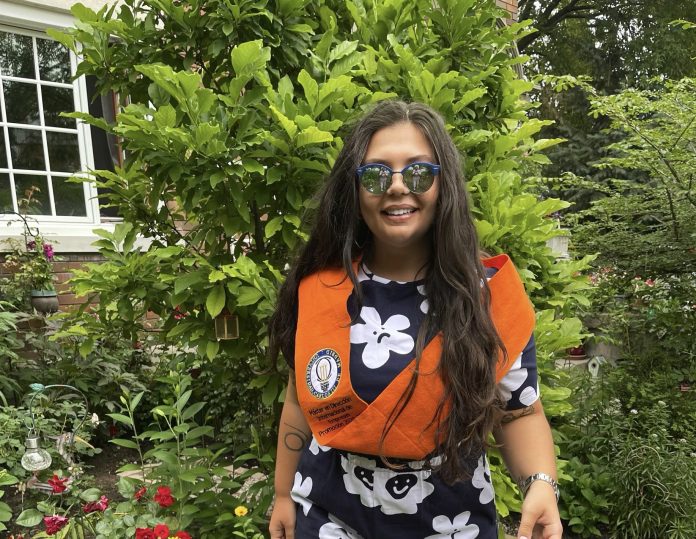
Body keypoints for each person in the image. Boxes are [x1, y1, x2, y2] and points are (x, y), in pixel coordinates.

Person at [268, 100, 562, 539]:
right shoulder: (322, 289)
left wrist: (541, 484)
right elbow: (300, 401)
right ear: (355, 187)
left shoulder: (486, 297)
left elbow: (519, 413)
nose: (397, 187)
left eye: (419, 172)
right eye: (376, 174)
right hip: (330, 519)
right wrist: (281, 494)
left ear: (444, 186)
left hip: (451, 524)